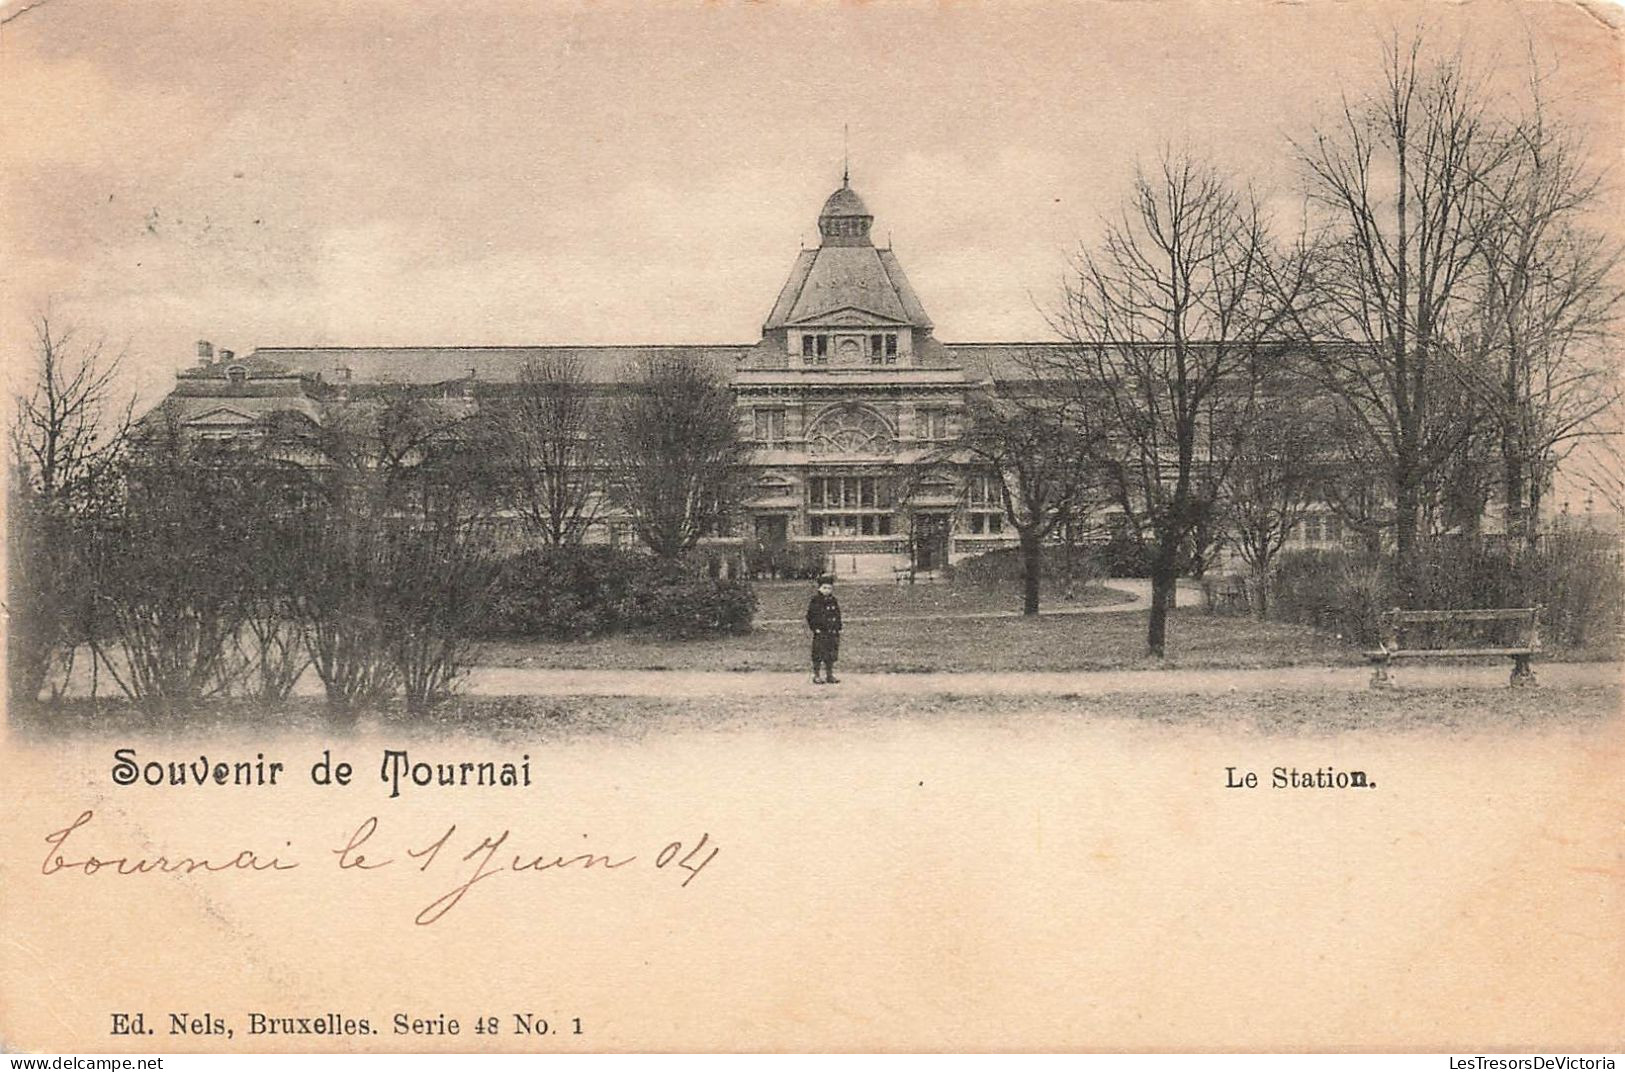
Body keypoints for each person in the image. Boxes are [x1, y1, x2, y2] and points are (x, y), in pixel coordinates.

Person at [805, 574, 843, 684]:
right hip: (821, 632)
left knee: (831, 653)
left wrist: (838, 626)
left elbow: (837, 614)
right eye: (824, 588)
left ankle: (829, 675)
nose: (827, 590)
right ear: (819, 588)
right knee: (818, 653)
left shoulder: (833, 600)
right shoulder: (816, 600)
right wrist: (815, 628)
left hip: (832, 632)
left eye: (829, 588)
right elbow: (810, 616)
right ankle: (816, 675)